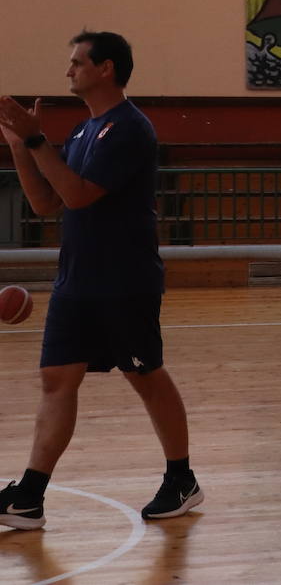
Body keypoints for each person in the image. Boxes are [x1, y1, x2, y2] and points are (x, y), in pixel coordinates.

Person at [0, 31, 203, 530]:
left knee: (145, 375)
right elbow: (46, 202)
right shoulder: (85, 131)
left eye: (77, 62)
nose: (68, 70)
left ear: (105, 68)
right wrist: (20, 149)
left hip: (123, 280)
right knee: (56, 380)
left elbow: (78, 195)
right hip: (77, 281)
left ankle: (181, 479)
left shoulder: (131, 129)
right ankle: (29, 495)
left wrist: (35, 140)